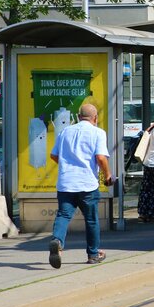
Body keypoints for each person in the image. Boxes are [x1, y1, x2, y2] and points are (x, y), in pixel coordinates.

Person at [47, 103, 112, 267]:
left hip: (65, 183)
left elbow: (54, 155)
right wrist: (108, 175)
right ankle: (93, 253)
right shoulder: (98, 133)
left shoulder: (64, 132)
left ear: (78, 116)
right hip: (87, 184)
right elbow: (101, 158)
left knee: (63, 215)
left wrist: (67, 165)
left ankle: (57, 241)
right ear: (95, 118)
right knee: (91, 220)